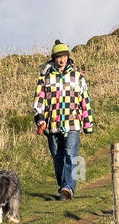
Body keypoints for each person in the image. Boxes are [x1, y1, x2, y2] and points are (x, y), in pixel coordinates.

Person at [32, 40, 95, 199]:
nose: (61, 60)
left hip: (73, 123)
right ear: (53, 59)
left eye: (64, 56)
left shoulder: (77, 77)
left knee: (70, 153)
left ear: (68, 57)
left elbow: (85, 100)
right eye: (58, 57)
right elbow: (39, 100)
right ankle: (64, 186)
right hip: (52, 125)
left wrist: (88, 124)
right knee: (57, 156)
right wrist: (39, 119)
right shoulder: (44, 78)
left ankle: (69, 186)